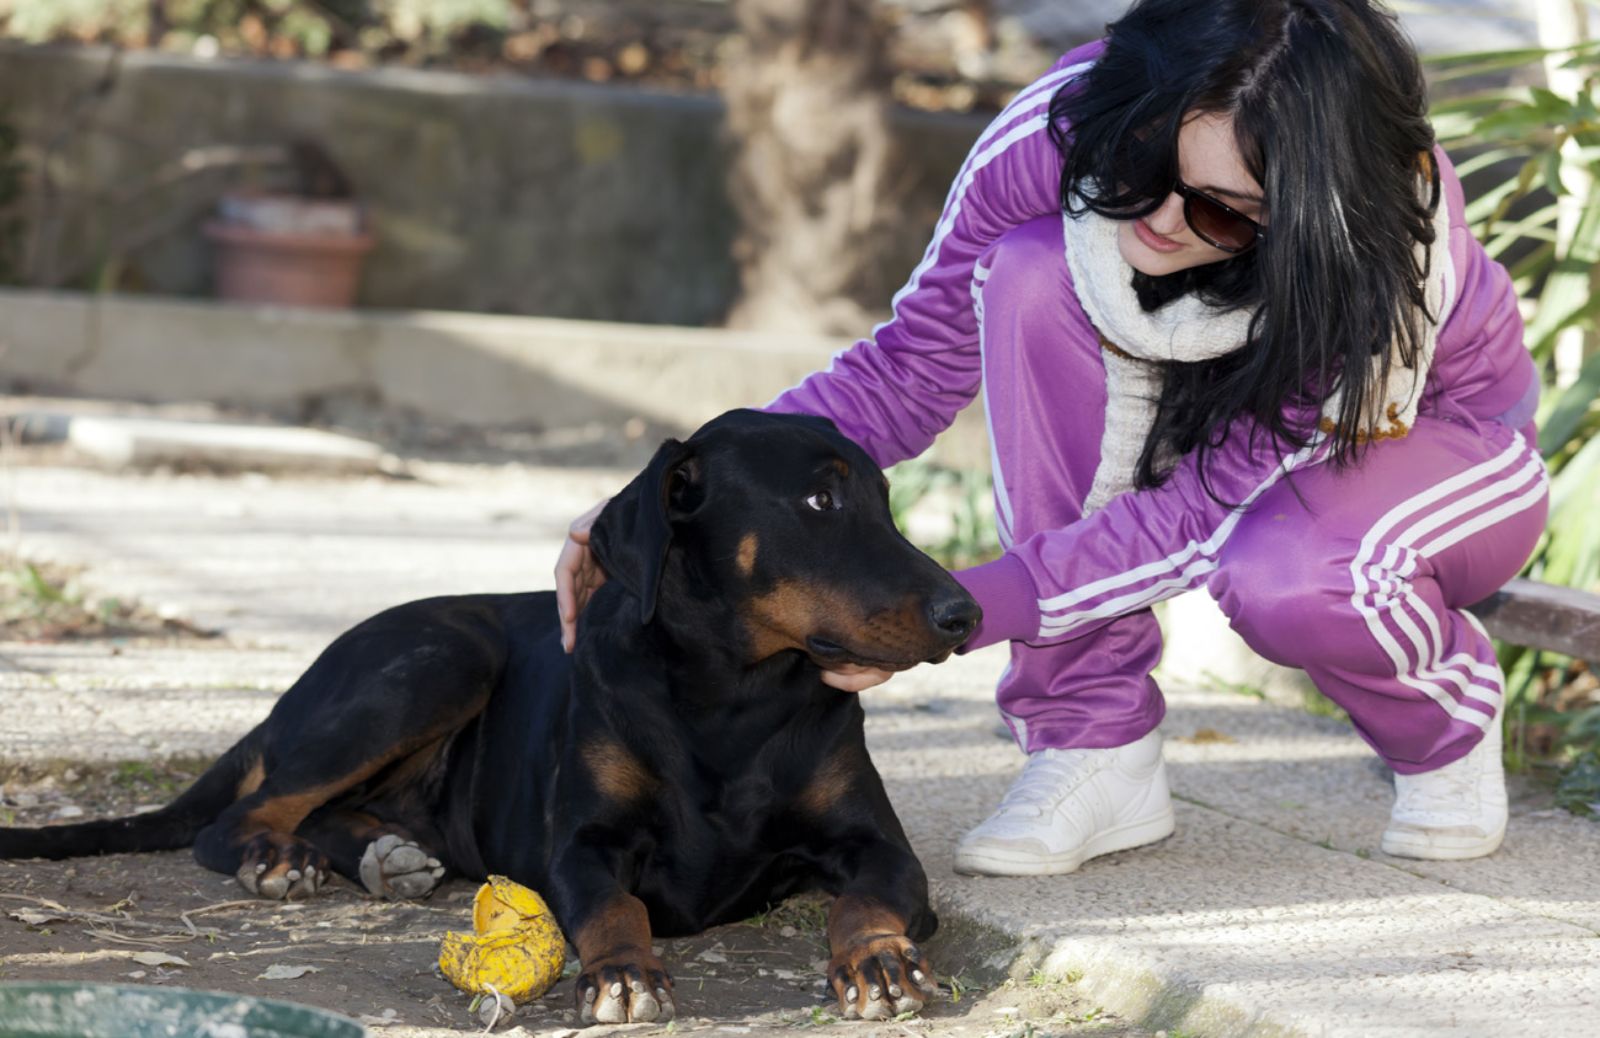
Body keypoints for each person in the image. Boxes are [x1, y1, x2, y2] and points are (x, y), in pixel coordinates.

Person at [556, 0, 1548, 876]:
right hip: (1184, 418)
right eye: (1140, 170)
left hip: (1432, 449)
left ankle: (1443, 724)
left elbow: (1202, 517)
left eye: (1221, 212)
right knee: (1032, 275)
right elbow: (911, 364)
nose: (1158, 223)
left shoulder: (1376, 252)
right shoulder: (1057, 130)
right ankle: (1091, 744)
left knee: (1289, 571)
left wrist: (957, 610)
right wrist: (667, 504)